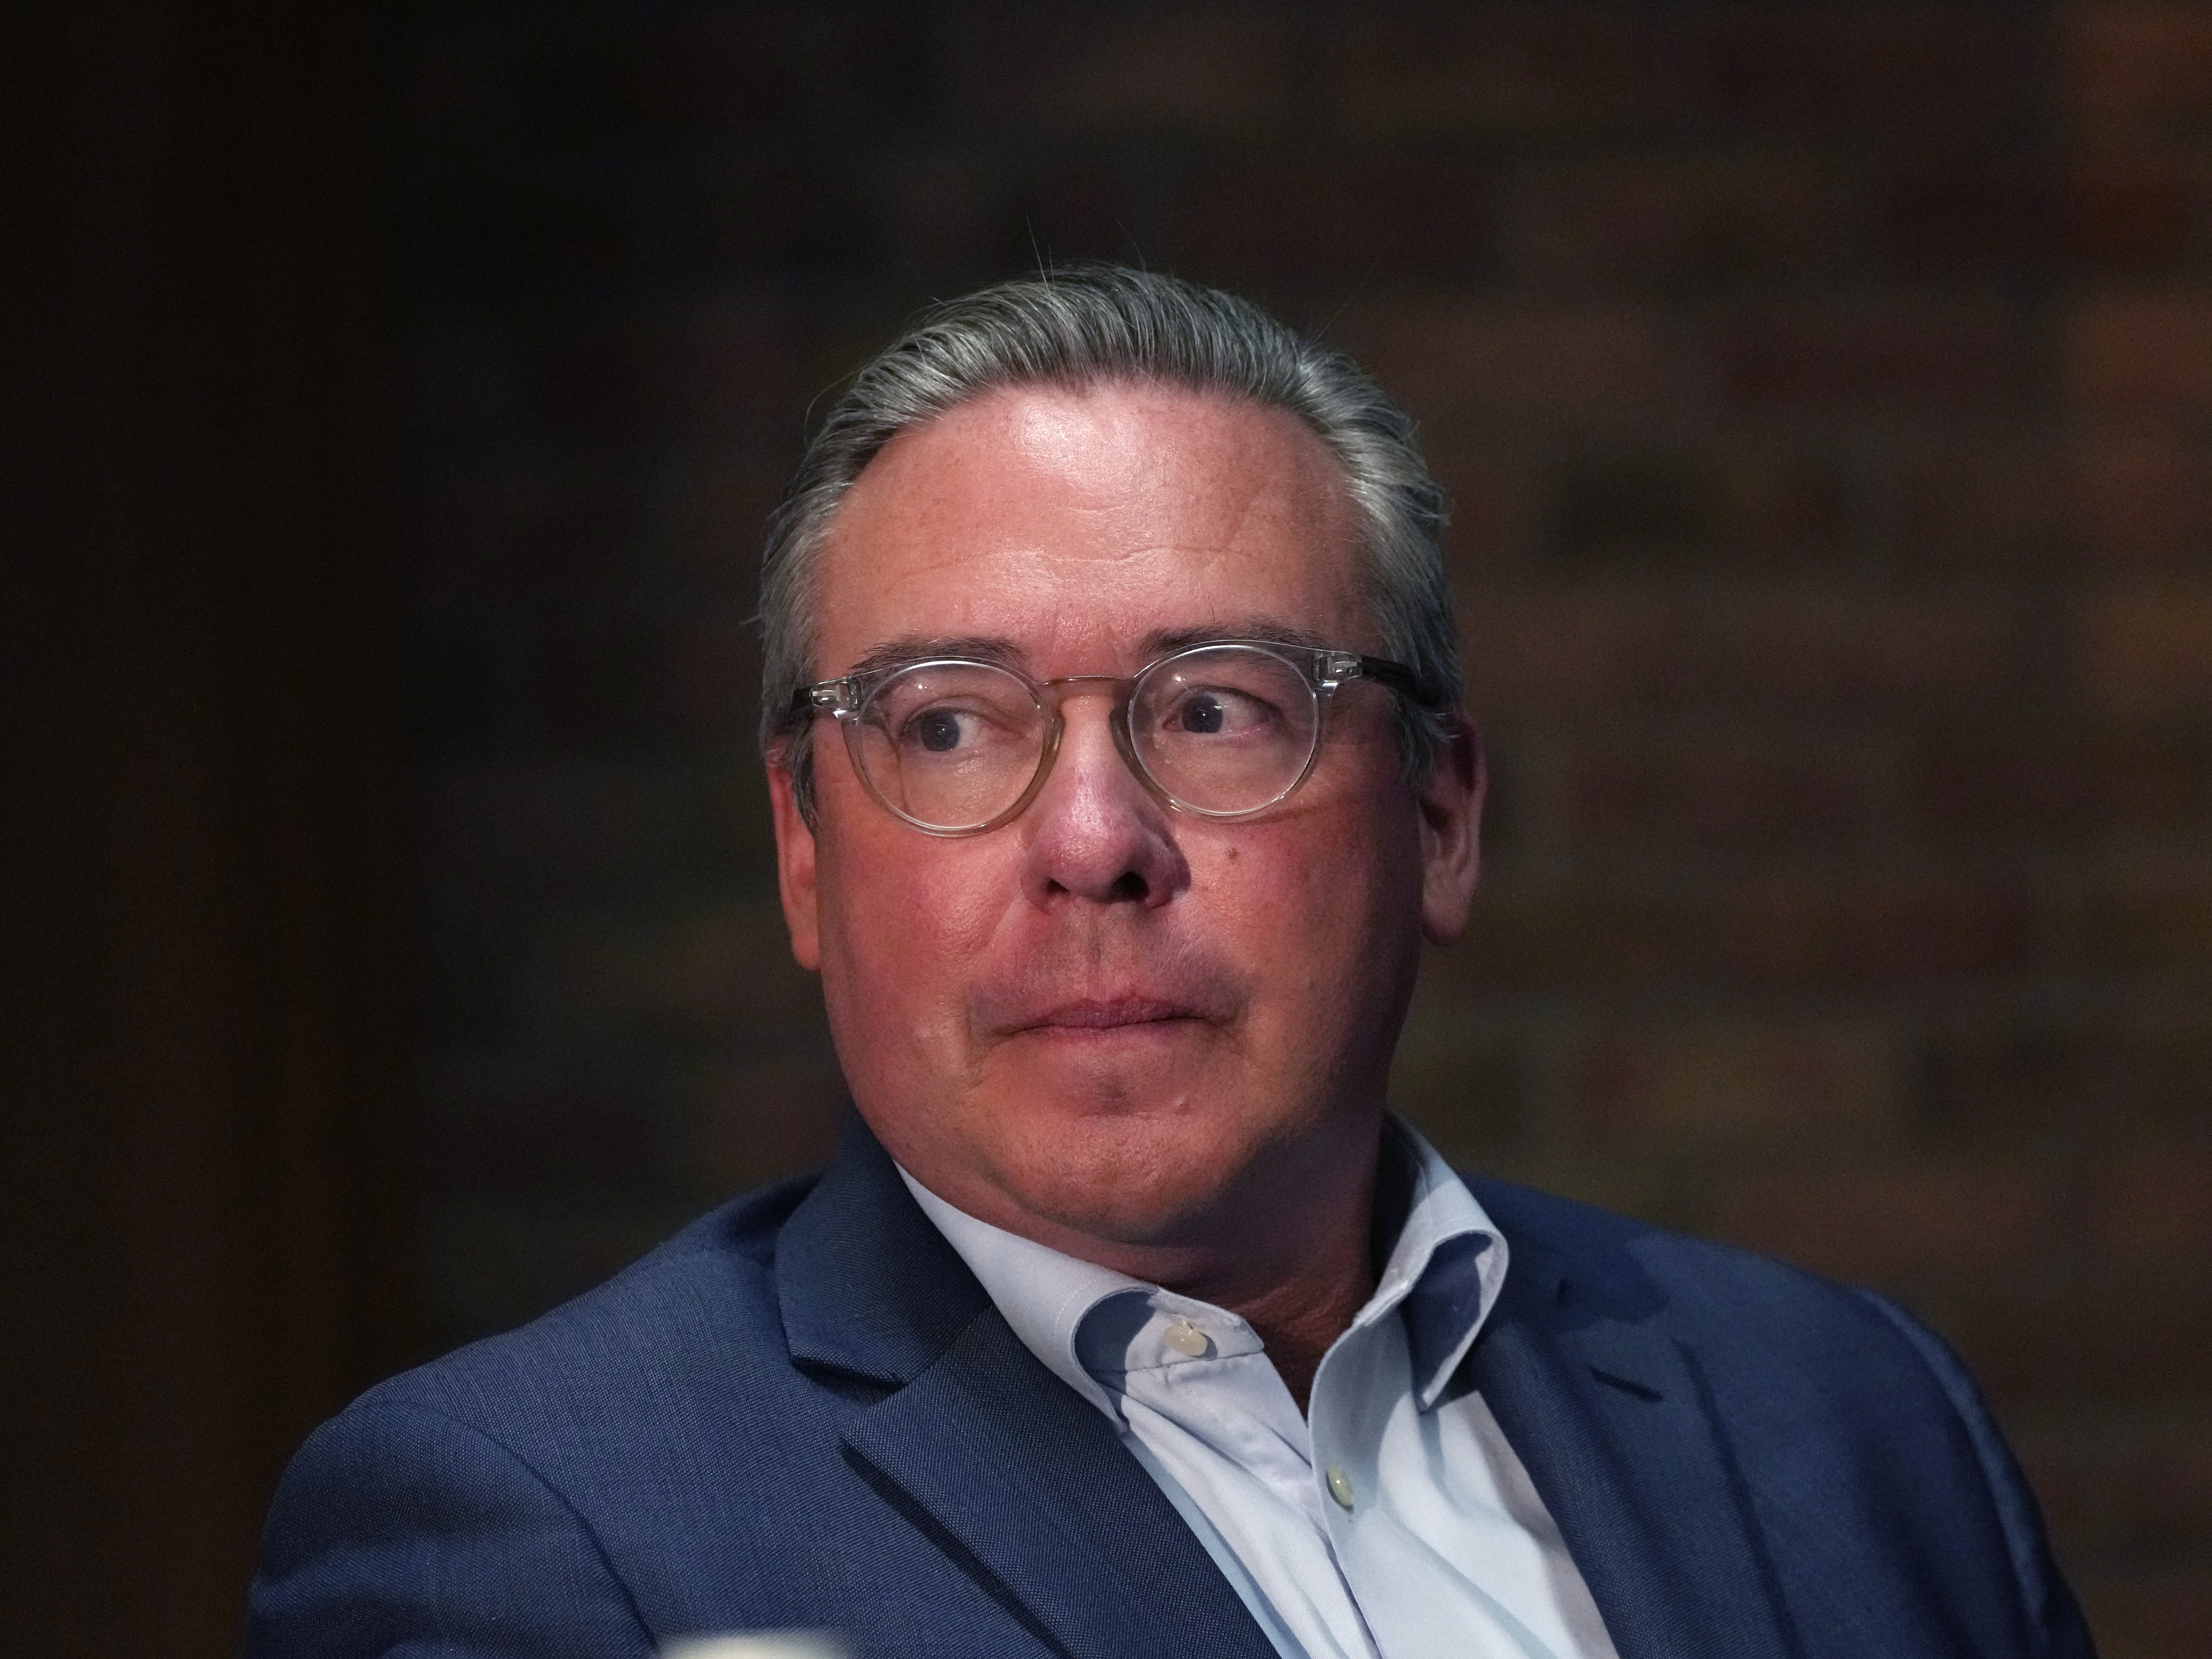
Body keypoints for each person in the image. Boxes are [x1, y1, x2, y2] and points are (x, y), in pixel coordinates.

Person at [245, 267, 2095, 1659]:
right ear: (807, 852)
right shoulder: (534, 1530)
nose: (1091, 845)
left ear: (1440, 816)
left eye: (1217, 710)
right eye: (951, 728)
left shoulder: (1850, 1424)